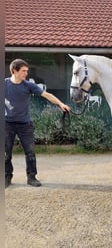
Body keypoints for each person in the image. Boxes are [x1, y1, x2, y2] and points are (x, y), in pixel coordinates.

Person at [5, 59, 70, 188]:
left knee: (30, 152)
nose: (26, 73)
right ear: (14, 71)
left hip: (25, 124)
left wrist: (61, 104)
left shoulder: (28, 85)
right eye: (23, 71)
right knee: (6, 153)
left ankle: (31, 177)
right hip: (7, 124)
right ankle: (6, 177)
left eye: (27, 71)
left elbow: (47, 95)